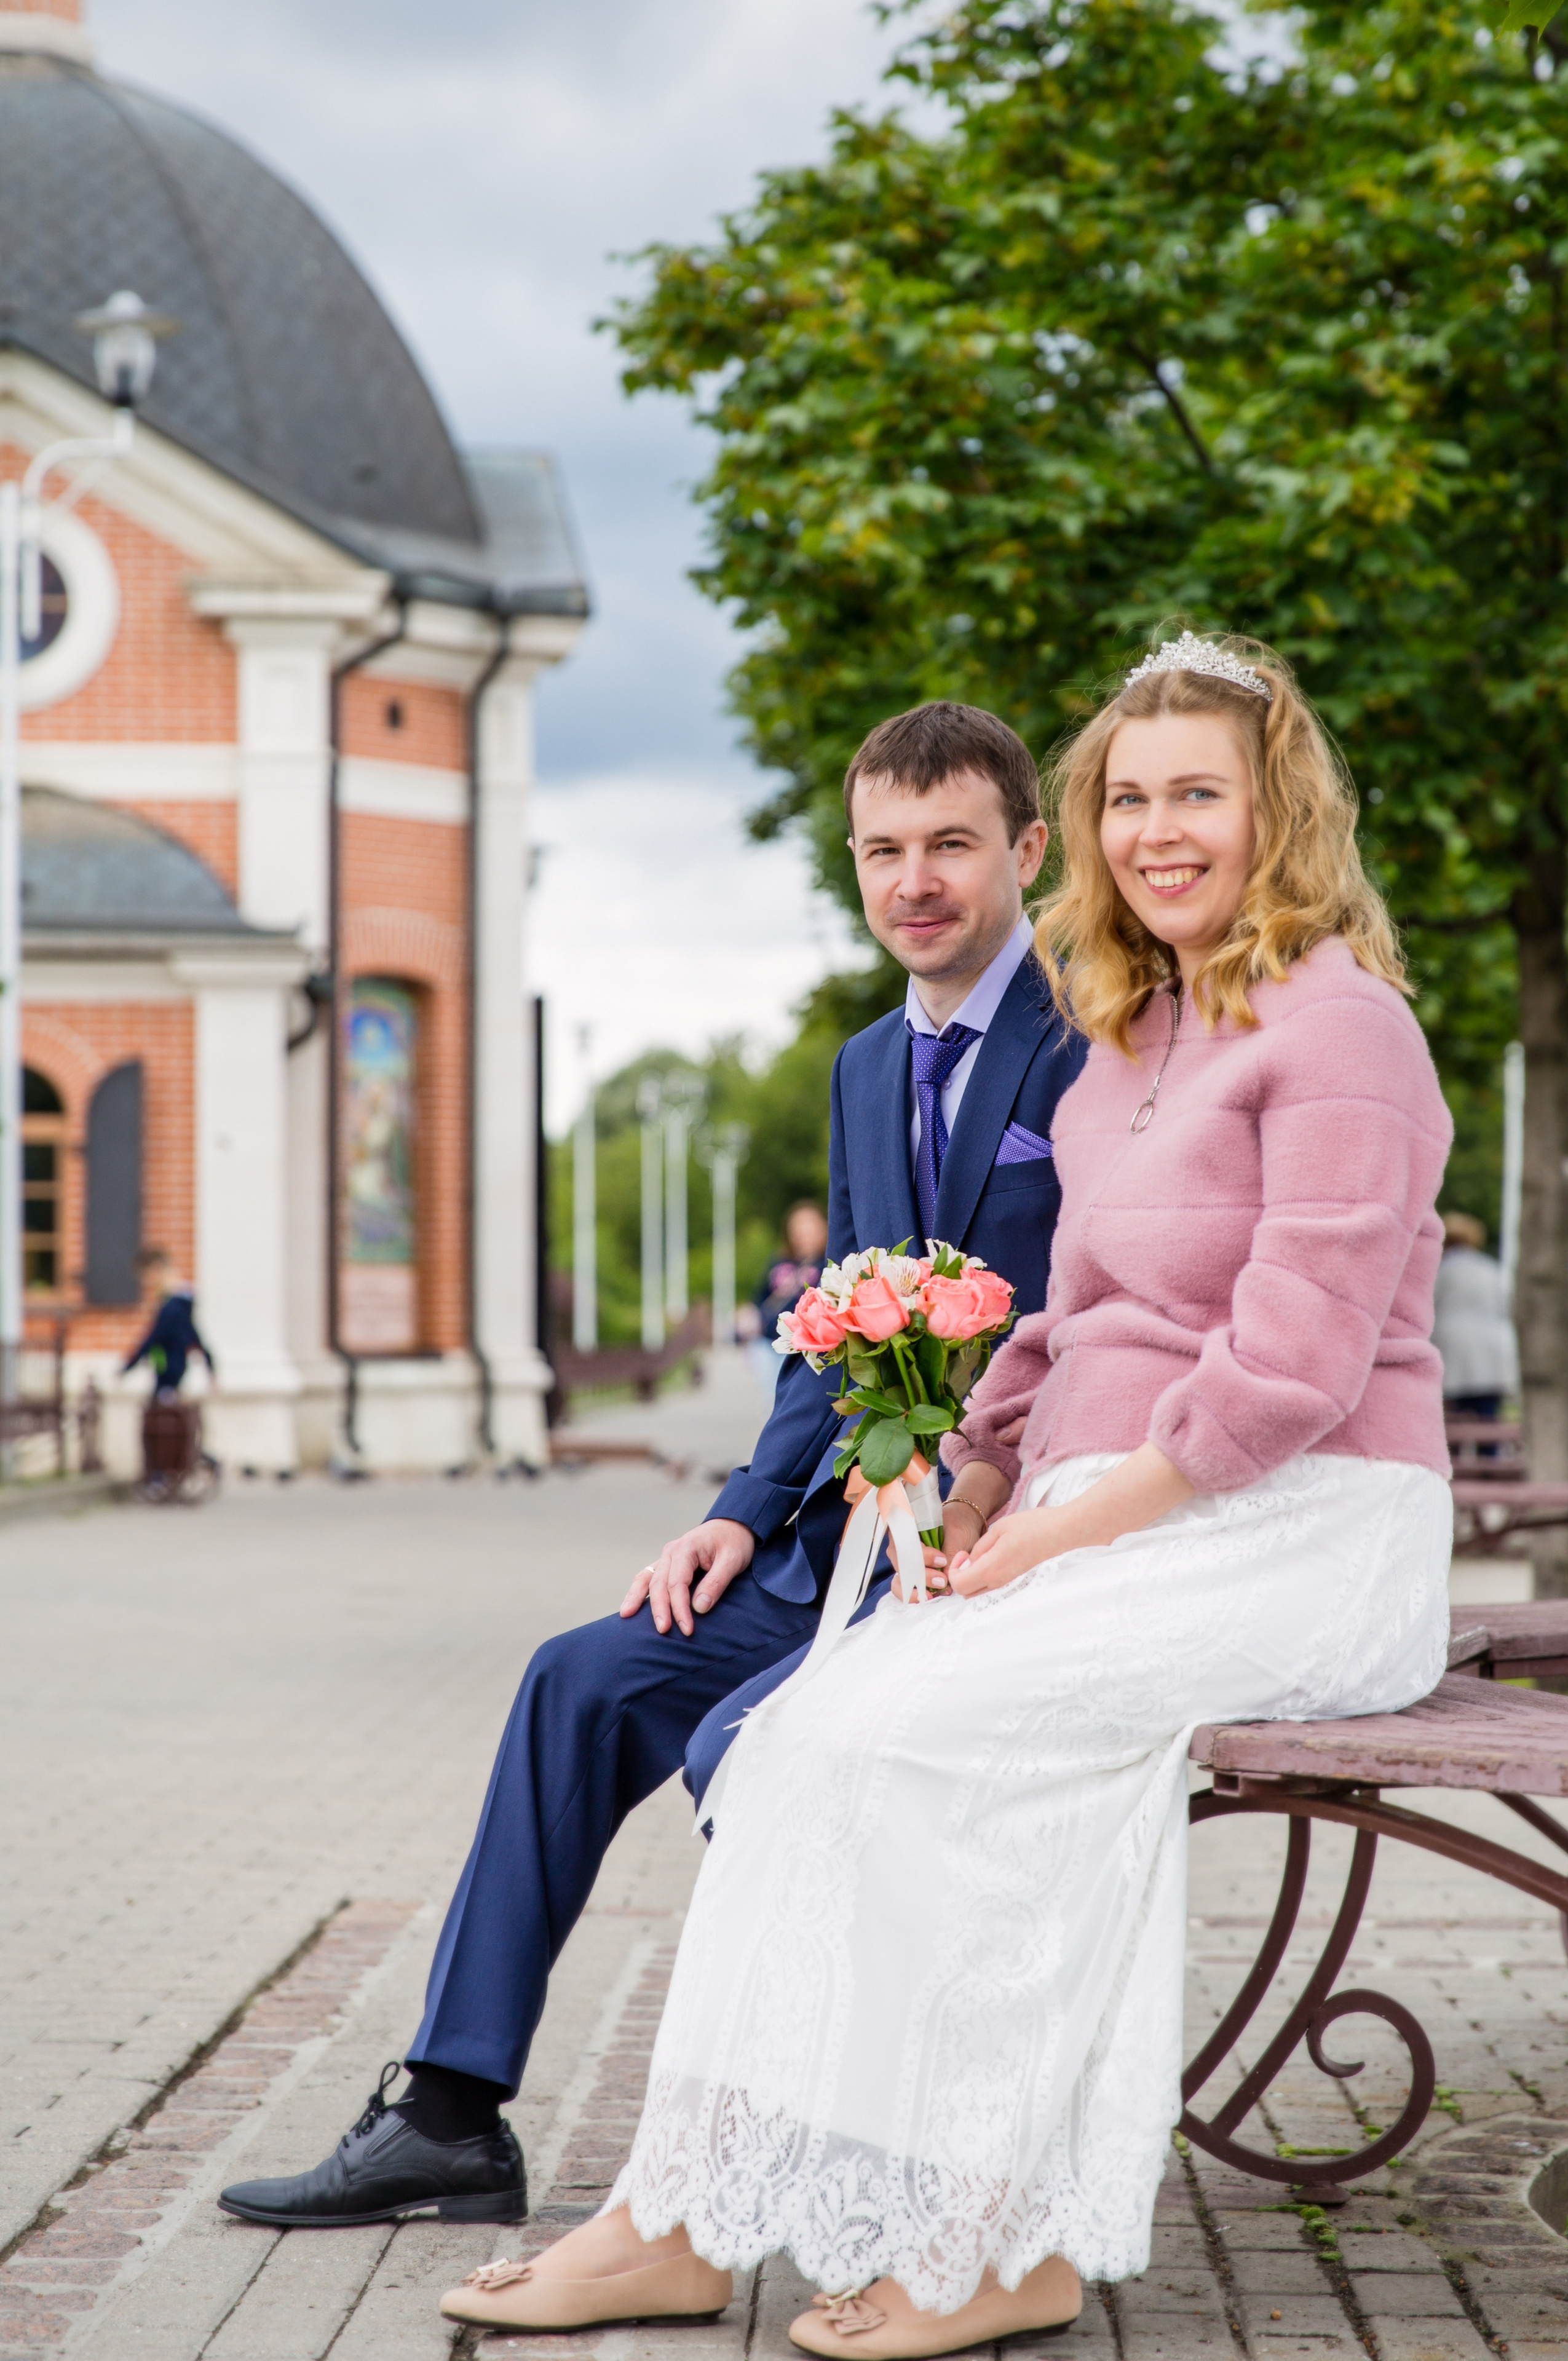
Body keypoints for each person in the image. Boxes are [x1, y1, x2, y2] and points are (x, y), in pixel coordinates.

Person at [439, 631, 1455, 2351]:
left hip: (1303, 1530)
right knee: (801, 1744)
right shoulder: (1139, 1035)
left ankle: (1004, 2240)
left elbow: (1289, 1379)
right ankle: (683, 2215)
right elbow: (1059, 1318)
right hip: (1128, 1515)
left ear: (1282, 810)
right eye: (1129, 797)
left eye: (1197, 794)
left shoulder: (1345, 1030)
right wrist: (981, 1469)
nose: (1157, 831)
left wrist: (1049, 1530)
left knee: (918, 1737)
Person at [218, 698, 1088, 2234]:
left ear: (1025, 847)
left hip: (1000, 1554)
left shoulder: (1097, 1044)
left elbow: (1112, 1312)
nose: (916, 880)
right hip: (832, 1547)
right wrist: (736, 1517)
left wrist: (991, 1484)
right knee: (580, 1675)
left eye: (950, 842)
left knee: (744, 1750)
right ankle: (447, 2109)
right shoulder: (861, 1062)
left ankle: (820, 2141)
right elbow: (837, 1339)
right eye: (883, 849)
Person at [1433, 1209, 1518, 1425]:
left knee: (1451, 1420)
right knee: (1488, 1418)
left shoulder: (1442, 1269)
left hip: (1452, 1345)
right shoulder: (1491, 1267)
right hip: (1493, 1347)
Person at [747, 1201, 831, 1404]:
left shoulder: (827, 1264)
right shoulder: (779, 1261)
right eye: (799, 1230)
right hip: (769, 1342)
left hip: (804, 1346)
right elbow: (760, 1297)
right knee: (772, 1401)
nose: (804, 1235)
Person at [122, 1251, 213, 1399]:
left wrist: (130, 1364)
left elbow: (156, 1336)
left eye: (147, 1276)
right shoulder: (175, 1302)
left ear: (156, 1269)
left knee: (163, 1413)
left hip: (169, 1367)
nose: (148, 1283)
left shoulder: (173, 1306)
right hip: (167, 1365)